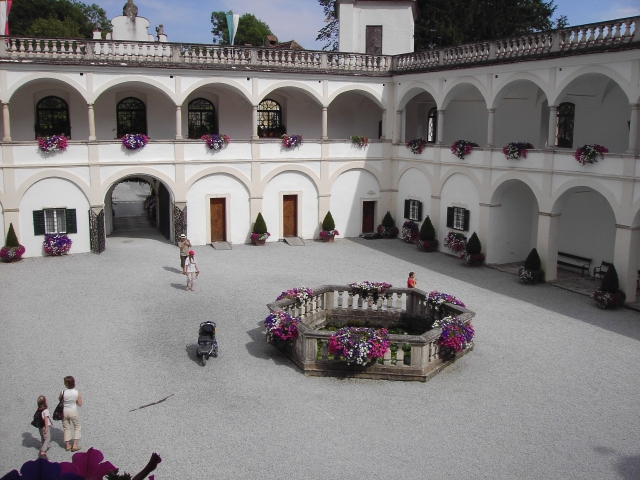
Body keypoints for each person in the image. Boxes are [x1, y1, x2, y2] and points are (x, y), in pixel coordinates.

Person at [59, 376, 82, 452]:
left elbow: (60, 400)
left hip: (64, 411)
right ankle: (74, 445)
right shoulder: (77, 393)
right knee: (77, 426)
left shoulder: (62, 392)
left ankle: (67, 445)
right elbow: (79, 404)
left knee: (66, 428)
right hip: (73, 411)